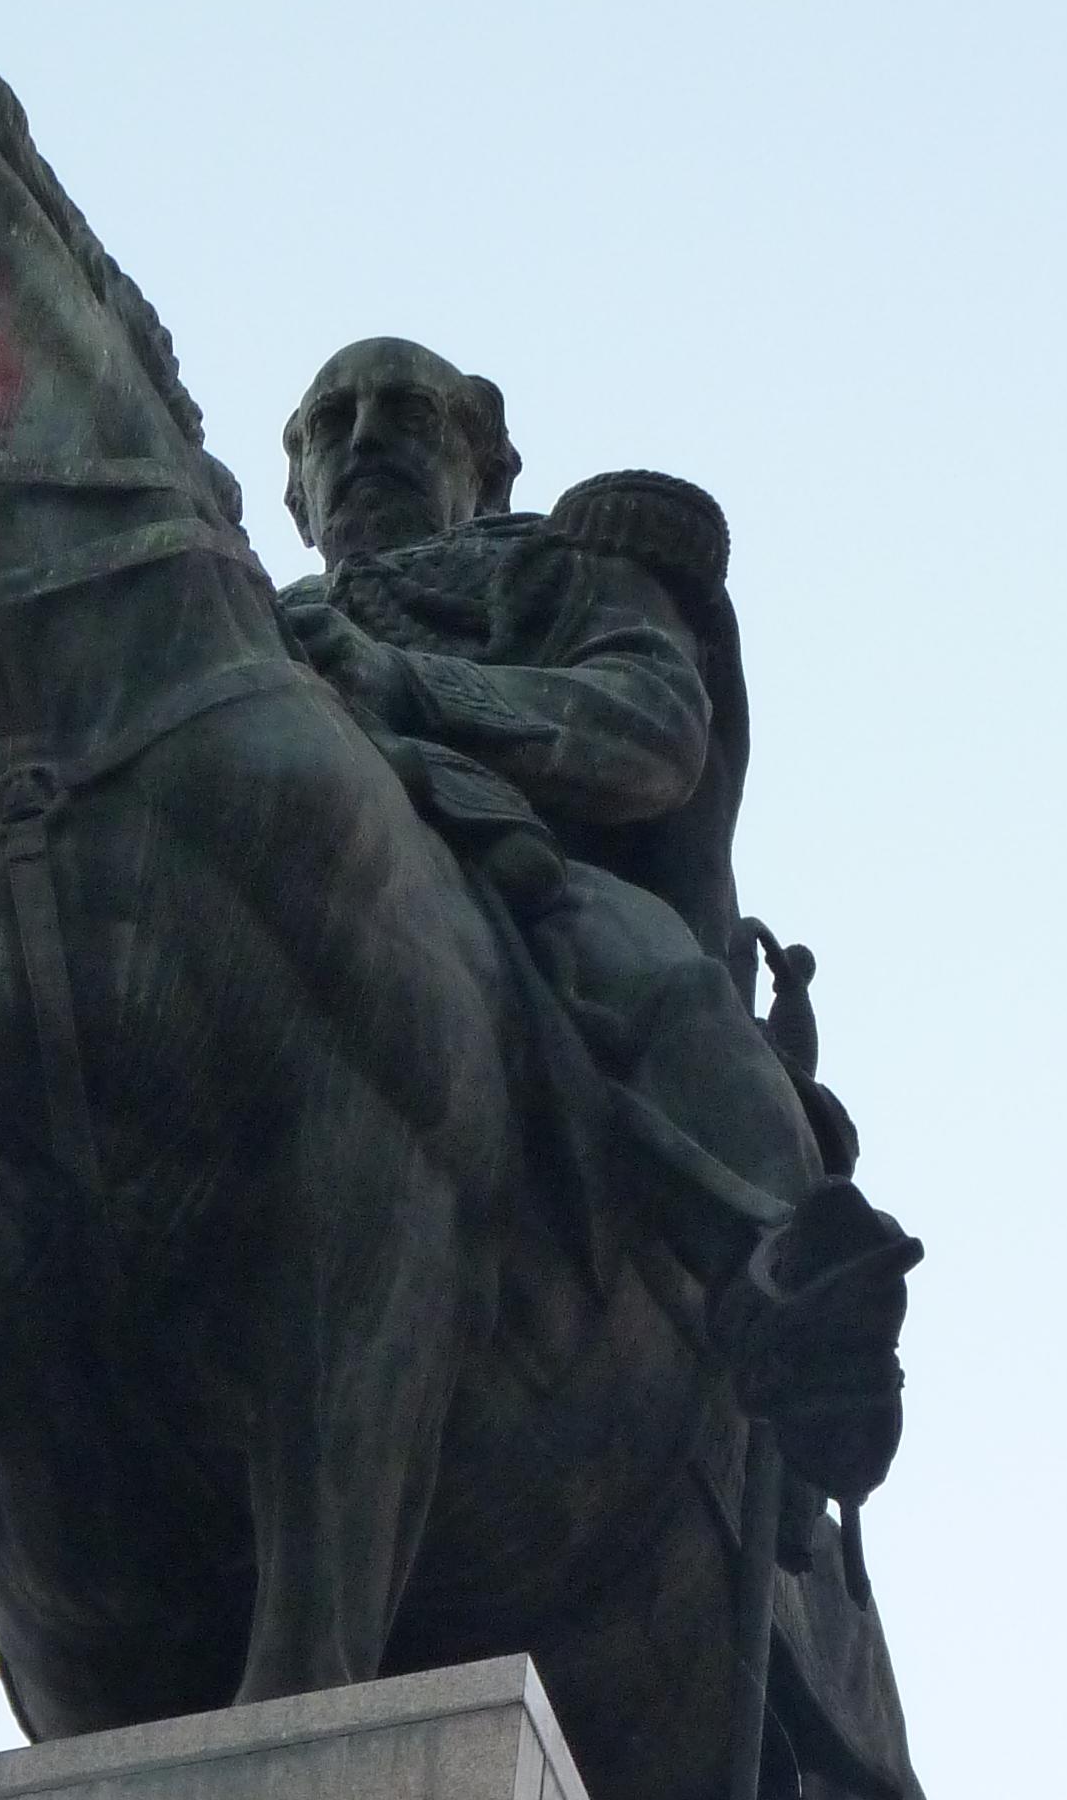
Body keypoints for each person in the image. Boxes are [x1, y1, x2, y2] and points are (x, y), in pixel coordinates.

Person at [278, 334, 909, 1519]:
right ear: (293, 488)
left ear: (490, 464)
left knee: (651, 969)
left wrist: (408, 687)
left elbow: (653, 726)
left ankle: (791, 1285)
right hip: (279, 904)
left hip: (522, 884)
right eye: (333, 424)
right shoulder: (232, 616)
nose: (363, 444)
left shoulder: (557, 565)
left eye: (405, 415)